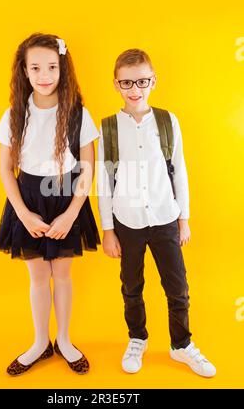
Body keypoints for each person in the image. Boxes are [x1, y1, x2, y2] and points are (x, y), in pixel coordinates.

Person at [97, 48, 216, 377]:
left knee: (177, 286)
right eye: (126, 83)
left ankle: (182, 345)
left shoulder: (167, 121)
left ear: (153, 82)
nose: (134, 89)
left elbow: (180, 170)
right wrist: (108, 230)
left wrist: (184, 218)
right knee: (131, 286)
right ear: (116, 84)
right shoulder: (108, 128)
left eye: (142, 81)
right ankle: (137, 338)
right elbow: (103, 181)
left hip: (165, 217)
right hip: (127, 222)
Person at [0, 33, 100, 375]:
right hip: (28, 199)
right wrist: (23, 214)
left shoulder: (78, 114)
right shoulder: (14, 114)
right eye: (35, 67)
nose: (44, 75)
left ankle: (64, 340)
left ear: (62, 69)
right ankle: (40, 343)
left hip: (67, 196)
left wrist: (71, 214)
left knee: (62, 273)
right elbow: (5, 170)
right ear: (24, 71)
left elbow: (87, 168)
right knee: (38, 274)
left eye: (52, 67)